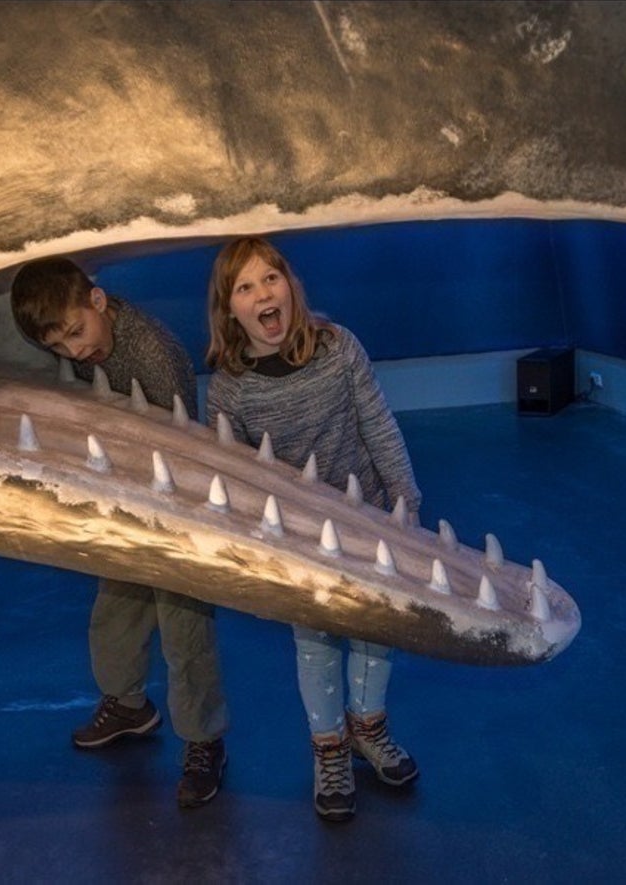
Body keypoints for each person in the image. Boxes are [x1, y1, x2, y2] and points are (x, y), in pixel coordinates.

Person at [205, 236, 420, 822]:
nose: (261, 294)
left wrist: (405, 499)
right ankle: (329, 751)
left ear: (290, 286)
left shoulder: (339, 347)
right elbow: (237, 482)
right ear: (230, 309)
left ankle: (369, 731)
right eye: (244, 288)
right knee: (317, 641)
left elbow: (378, 424)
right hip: (298, 538)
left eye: (269, 279)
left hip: (369, 516)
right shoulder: (229, 389)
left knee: (377, 630)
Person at [10, 256, 229, 808]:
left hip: (175, 501)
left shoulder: (155, 355)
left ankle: (205, 741)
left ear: (99, 301)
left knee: (184, 625)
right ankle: (128, 705)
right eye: (60, 347)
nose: (76, 352)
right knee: (117, 605)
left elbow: (180, 450)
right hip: (121, 492)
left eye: (78, 333)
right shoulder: (84, 348)